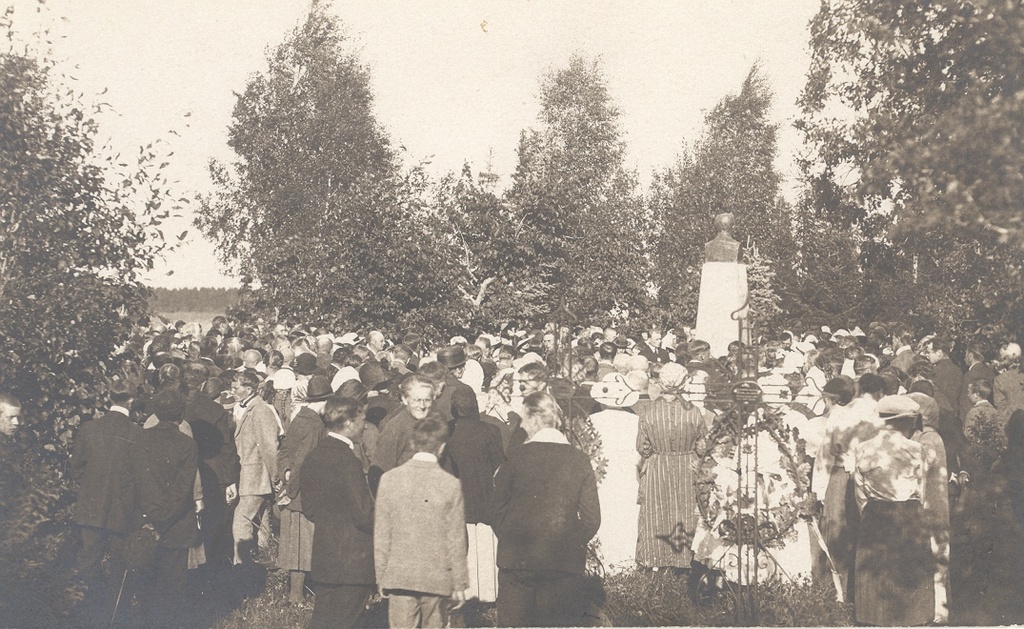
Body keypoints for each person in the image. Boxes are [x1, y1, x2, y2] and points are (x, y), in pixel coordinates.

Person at [491, 391, 600, 627]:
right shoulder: (579, 459)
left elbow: (497, 509)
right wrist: (570, 541)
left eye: (523, 420)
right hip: (563, 561)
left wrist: (510, 536)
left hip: (517, 560)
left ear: (533, 419)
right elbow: (592, 519)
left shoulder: (515, 456)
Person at [375, 418, 469, 628]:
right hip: (436, 578)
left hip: (399, 575)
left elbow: (382, 533)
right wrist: (460, 582)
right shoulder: (451, 484)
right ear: (442, 447)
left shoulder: (389, 479)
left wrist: (381, 575)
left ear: (412, 444)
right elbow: (455, 538)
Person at [849, 395, 933, 626]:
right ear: (905, 422)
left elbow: (860, 492)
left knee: (876, 571)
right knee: (907, 573)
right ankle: (909, 620)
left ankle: (874, 619)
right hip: (908, 512)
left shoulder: (863, 448)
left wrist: (870, 513)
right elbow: (921, 491)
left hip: (875, 513)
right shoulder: (915, 449)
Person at [127, 388, 200, 626]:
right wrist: (162, 522)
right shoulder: (187, 445)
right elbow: (182, 491)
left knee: (146, 587)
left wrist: (149, 520)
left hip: (144, 524)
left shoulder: (137, 440)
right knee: (173, 589)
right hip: (174, 527)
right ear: (180, 415)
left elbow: (134, 484)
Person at [301, 396, 375, 629]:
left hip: (325, 556)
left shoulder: (314, 456)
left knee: (323, 621)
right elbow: (364, 514)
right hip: (352, 563)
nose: (365, 425)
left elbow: (310, 509)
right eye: (362, 420)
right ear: (350, 423)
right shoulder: (347, 460)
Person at [70, 377, 139, 597]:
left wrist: (91, 487)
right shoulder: (136, 433)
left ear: (110, 397)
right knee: (119, 569)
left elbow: (76, 468)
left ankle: (81, 610)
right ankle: (112, 616)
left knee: (87, 563)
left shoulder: (89, 428)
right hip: (123, 509)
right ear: (131, 401)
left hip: (91, 506)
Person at [633, 363, 705, 570]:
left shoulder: (648, 411)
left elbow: (643, 448)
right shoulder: (694, 412)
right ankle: (683, 560)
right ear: (683, 383)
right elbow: (702, 446)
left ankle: (654, 559)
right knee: (684, 511)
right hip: (687, 465)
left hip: (658, 465)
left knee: (656, 512)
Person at [276, 375, 332, 604]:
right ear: (325, 401)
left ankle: (295, 593)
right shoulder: (315, 426)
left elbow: (284, 452)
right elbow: (303, 461)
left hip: (294, 489)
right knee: (302, 546)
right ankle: (297, 595)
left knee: (294, 545)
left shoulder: (299, 418)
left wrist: (284, 473)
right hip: (302, 495)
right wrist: (290, 492)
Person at [587, 372, 642, 574]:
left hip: (601, 475)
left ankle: (601, 563)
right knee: (626, 517)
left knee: (604, 515)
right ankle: (626, 564)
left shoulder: (592, 419)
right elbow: (639, 452)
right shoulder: (635, 420)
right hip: (626, 473)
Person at [230, 370, 281, 565]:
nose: (232, 391)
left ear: (249, 389)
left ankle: (241, 565)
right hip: (252, 474)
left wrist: (275, 476)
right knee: (261, 521)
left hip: (255, 474)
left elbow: (270, 446)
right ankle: (266, 559)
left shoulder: (261, 411)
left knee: (241, 519)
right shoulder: (250, 408)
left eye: (236, 388)